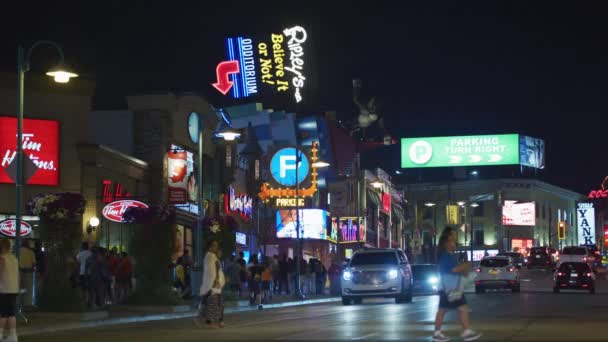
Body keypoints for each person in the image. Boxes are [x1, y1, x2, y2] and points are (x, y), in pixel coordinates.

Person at [432, 227, 482, 342]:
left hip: (452, 288)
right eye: (452, 240)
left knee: (456, 308)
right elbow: (454, 269)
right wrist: (465, 266)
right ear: (446, 243)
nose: (454, 242)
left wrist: (464, 268)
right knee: (451, 309)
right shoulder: (445, 256)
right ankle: (442, 333)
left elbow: (457, 270)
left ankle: (463, 331)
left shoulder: (450, 256)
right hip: (449, 288)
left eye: (454, 240)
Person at [200, 240, 225, 329]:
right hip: (212, 284)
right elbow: (210, 271)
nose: (216, 247)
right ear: (210, 246)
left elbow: (217, 269)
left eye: (216, 245)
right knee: (212, 303)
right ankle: (210, 322)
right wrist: (215, 280)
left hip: (216, 284)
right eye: (214, 245)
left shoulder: (214, 256)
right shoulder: (209, 256)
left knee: (218, 303)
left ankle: (219, 321)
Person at [0, 239, 19, 342]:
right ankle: (13, 336)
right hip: (13, 289)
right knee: (11, 314)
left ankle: (0, 334)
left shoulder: (2, 258)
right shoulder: (14, 258)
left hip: (4, 289)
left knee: (3, 314)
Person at [18, 240, 36, 307]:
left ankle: (19, 302)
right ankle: (26, 303)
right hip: (28, 272)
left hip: (19, 271)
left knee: (20, 287)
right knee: (27, 288)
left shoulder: (17, 251)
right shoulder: (31, 252)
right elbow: (34, 263)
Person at [76, 242, 92, 307]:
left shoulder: (80, 254)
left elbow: (77, 262)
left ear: (82, 247)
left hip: (82, 272)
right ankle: (89, 301)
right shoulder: (91, 254)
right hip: (90, 273)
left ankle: (84, 301)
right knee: (89, 288)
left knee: (83, 288)